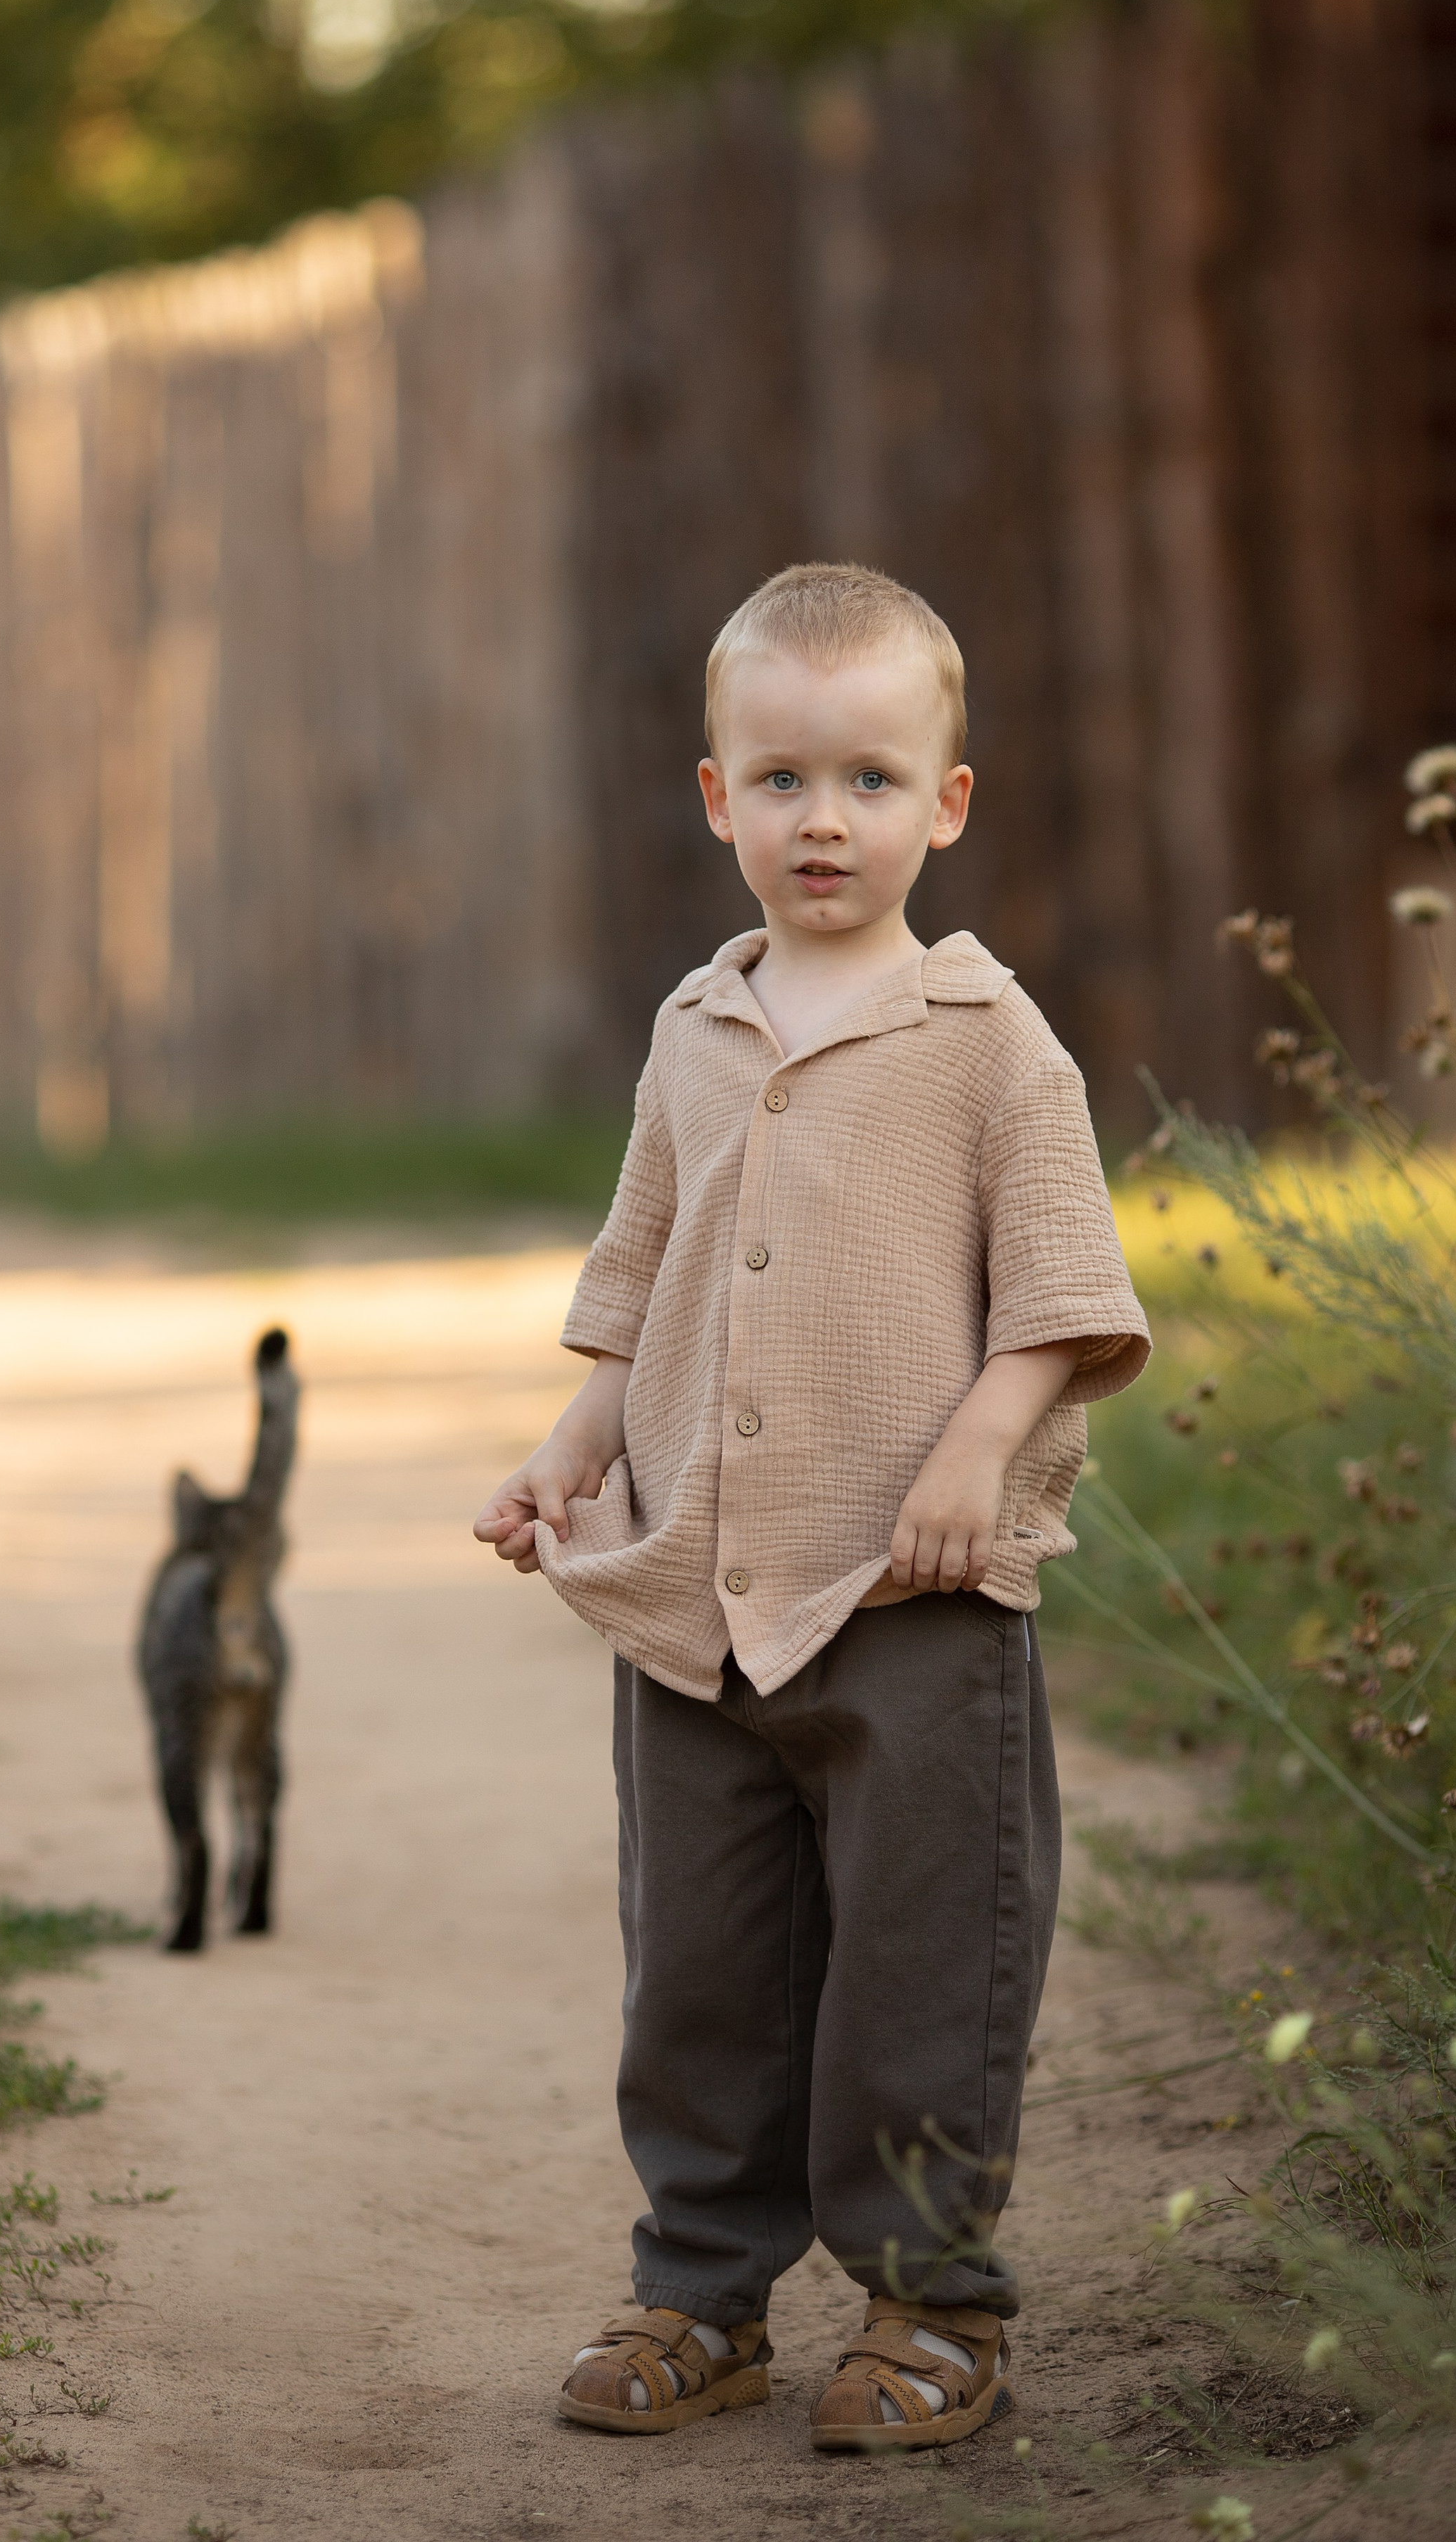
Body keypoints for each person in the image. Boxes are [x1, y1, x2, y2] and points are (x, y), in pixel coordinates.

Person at [474, 562, 1149, 2453]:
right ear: (717, 800)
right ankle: (702, 2294)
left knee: (924, 1971)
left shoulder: (990, 1041)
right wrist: (573, 1443)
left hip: (915, 1593)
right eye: (781, 781)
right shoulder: (698, 1027)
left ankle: (936, 2308)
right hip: (701, 1587)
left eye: (868, 780)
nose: (822, 819)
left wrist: (972, 1455)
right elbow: (643, 1277)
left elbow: (1067, 1303)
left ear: (946, 801)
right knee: (701, 1970)